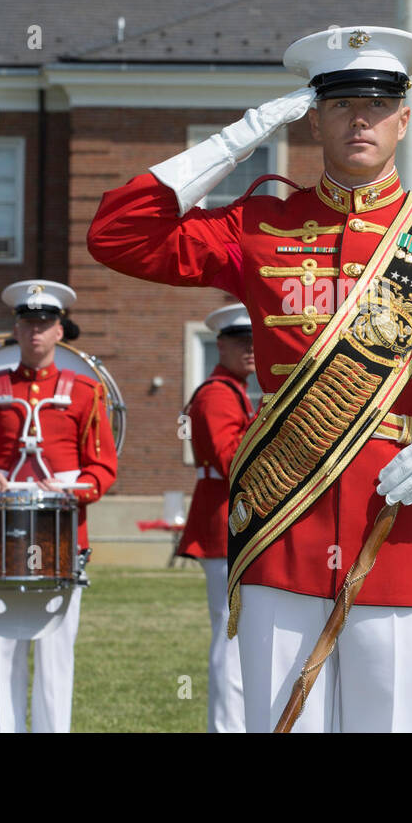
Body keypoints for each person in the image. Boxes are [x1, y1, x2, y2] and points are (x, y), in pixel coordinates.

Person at [87, 25, 412, 733]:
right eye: (342, 104)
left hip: (400, 516)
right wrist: (246, 133)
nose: (361, 119)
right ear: (312, 115)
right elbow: (120, 234)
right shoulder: (258, 224)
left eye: (379, 105)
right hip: (282, 517)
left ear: (404, 120)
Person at [0, 280, 117, 733]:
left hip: (62, 537)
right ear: (15, 330)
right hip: (0, 539)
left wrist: (68, 491)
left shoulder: (85, 392)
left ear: (61, 331)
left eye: (44, 323)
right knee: (2, 653)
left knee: (57, 656)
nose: (35, 331)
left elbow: (103, 469)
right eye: (26, 323)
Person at [179, 302, 255, 732]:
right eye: (239, 342)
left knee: (237, 633)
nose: (249, 349)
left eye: (252, 341)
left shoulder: (234, 389)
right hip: (223, 520)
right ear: (219, 345)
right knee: (231, 637)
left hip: (229, 520)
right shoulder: (216, 393)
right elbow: (233, 461)